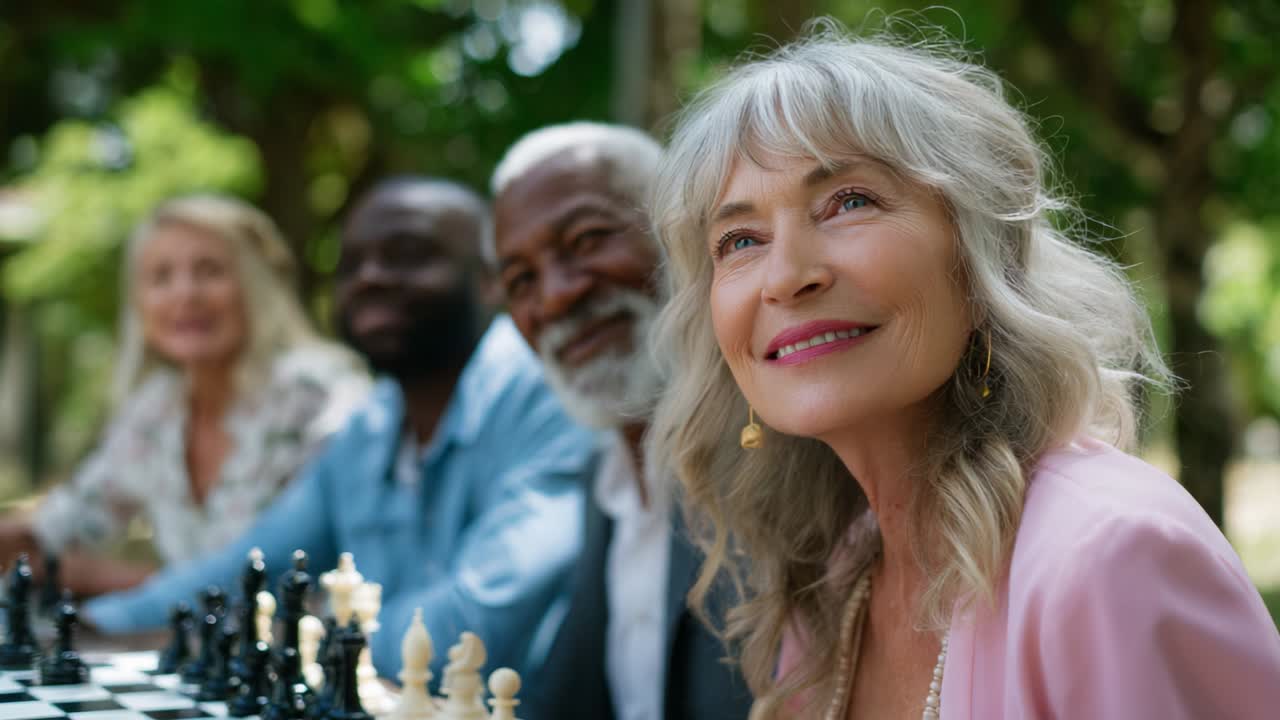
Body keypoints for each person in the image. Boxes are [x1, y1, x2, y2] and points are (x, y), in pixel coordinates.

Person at [645, 25, 1280, 720]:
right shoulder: (833, 584)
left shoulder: (1109, 558)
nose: (787, 277)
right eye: (740, 241)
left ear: (981, 255)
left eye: (850, 201)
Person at [82, 178, 596, 681]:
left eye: (408, 254)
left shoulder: (550, 397)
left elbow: (473, 623)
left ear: (492, 278)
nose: (370, 276)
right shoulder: (372, 425)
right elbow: (250, 567)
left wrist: (306, 645)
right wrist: (93, 627)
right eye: (350, 265)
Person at [491, 122, 752, 720]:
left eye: (586, 240)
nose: (556, 296)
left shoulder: (781, 457)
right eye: (521, 280)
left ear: (679, 232)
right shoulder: (602, 482)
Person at [0, 195, 368, 596]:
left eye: (209, 271)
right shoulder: (157, 407)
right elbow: (62, 522)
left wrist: (102, 578)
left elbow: (268, 577)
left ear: (259, 284)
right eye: (160, 277)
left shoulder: (319, 394)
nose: (185, 294)